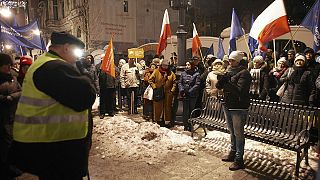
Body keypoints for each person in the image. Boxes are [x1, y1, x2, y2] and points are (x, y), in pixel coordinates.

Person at [11, 31, 96, 179]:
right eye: (77, 51)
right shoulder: (54, 67)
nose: (78, 56)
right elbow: (86, 96)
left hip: (49, 146)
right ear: (66, 48)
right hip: (54, 150)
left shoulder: (46, 63)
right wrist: (84, 72)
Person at [216, 50, 252, 171]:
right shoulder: (229, 71)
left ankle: (239, 159)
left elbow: (239, 91)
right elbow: (220, 87)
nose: (230, 62)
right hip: (228, 104)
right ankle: (233, 152)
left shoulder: (244, 73)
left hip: (239, 107)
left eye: (232, 60)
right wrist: (221, 82)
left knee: (238, 133)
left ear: (238, 61)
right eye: (229, 60)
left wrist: (227, 82)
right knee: (232, 131)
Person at [0, 53, 22, 179]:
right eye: (6, 65)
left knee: (13, 142)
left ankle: (13, 167)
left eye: (10, 65)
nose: (9, 67)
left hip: (14, 115)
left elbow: (20, 91)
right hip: (3, 117)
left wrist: (11, 97)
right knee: (6, 145)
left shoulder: (13, 78)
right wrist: (4, 99)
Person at [148, 58, 176, 127]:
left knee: (167, 107)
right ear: (162, 65)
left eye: (167, 66)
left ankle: (166, 121)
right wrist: (154, 87)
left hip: (167, 93)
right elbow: (150, 80)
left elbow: (174, 83)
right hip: (159, 92)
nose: (166, 67)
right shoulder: (156, 71)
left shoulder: (171, 73)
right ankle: (158, 120)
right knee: (158, 106)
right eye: (165, 65)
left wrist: (172, 90)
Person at [178, 60, 200, 131]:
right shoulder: (183, 73)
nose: (187, 66)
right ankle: (185, 125)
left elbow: (197, 84)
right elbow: (180, 82)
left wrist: (189, 91)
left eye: (188, 65)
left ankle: (190, 125)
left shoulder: (196, 74)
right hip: (185, 94)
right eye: (186, 65)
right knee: (185, 111)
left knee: (191, 110)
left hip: (192, 95)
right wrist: (181, 89)